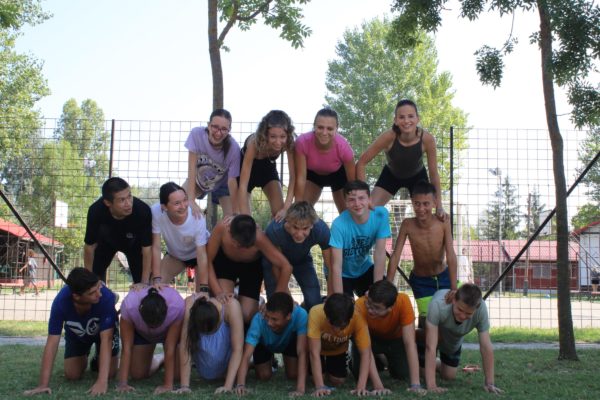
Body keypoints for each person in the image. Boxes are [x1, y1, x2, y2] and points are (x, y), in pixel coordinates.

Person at [24, 268, 119, 396]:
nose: (99, 294)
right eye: (92, 293)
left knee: (110, 374)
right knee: (72, 374)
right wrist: (43, 385)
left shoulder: (106, 297)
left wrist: (102, 381)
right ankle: (84, 353)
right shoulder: (60, 302)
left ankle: (98, 357)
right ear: (76, 296)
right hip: (78, 333)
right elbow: (52, 342)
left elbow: (106, 339)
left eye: (98, 287)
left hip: (104, 333)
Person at [356, 99, 446, 220]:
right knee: (367, 212)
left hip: (418, 177)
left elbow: (434, 174)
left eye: (411, 116)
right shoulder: (388, 137)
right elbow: (361, 163)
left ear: (417, 119)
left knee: (425, 216)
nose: (406, 121)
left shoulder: (427, 139)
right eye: (402, 117)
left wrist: (439, 206)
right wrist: (364, 195)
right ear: (396, 120)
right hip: (391, 176)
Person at [387, 181, 457, 327]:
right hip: (420, 281)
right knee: (426, 322)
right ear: (412, 202)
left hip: (444, 276)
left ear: (435, 203)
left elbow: (451, 255)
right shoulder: (407, 224)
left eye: (426, 204)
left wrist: (454, 287)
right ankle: (422, 342)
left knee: (450, 317)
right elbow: (395, 256)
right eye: (417, 204)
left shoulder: (443, 222)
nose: (421, 208)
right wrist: (388, 285)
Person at [207, 214, 293, 325]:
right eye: (238, 244)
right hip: (225, 263)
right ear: (229, 232)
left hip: (251, 267)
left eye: (247, 245)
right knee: (225, 306)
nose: (242, 248)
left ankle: (256, 300)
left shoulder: (259, 238)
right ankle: (234, 294)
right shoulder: (222, 228)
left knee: (246, 316)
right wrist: (218, 292)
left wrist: (274, 300)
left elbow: (286, 266)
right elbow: (207, 261)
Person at [422, 284, 502, 394]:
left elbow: (486, 346)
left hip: (453, 338)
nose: (463, 316)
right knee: (423, 372)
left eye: (468, 313)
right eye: (460, 309)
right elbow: (430, 347)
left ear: (476, 308)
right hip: (432, 331)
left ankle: (437, 363)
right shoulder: (437, 305)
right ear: (454, 300)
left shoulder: (481, 309)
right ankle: (415, 335)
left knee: (449, 375)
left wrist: (490, 383)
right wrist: (431, 386)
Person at [308, 293, 389, 397]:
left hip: (337, 349)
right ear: (327, 317)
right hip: (319, 349)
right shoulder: (315, 313)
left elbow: (366, 353)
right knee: (314, 379)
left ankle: (339, 365)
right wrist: (320, 387)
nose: (337, 330)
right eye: (333, 324)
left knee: (338, 381)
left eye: (342, 326)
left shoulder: (358, 317)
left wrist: (361, 387)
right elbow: (314, 353)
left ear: (350, 319)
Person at [352, 280, 423, 393]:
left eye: (376, 308)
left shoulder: (403, 301)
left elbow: (410, 343)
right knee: (360, 373)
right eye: (369, 303)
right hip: (370, 341)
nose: (370, 310)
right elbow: (366, 348)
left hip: (394, 340)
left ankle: (382, 358)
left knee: (403, 374)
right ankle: (371, 358)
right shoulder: (359, 305)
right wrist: (378, 386)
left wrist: (415, 384)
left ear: (390, 308)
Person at [235, 292, 308, 397]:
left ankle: (275, 361)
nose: (269, 323)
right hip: (264, 344)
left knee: (293, 375)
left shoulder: (301, 315)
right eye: (267, 317)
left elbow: (302, 352)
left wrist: (300, 389)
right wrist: (240, 385)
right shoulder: (258, 319)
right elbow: (246, 355)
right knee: (264, 376)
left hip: (288, 342)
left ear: (288, 316)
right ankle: (261, 362)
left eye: (274, 319)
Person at [263, 201, 331, 311]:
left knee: (314, 302)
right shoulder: (275, 230)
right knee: (278, 305)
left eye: (305, 228)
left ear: (312, 225)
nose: (299, 234)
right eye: (295, 227)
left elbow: (330, 265)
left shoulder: (320, 230)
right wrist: (289, 299)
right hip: (274, 264)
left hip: (302, 260)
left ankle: (304, 310)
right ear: (287, 221)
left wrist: (332, 295)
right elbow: (277, 266)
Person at [116, 286, 185, 394]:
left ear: (167, 309)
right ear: (140, 310)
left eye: (158, 323)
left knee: (177, 375)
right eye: (150, 324)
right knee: (138, 374)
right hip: (143, 334)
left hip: (168, 332)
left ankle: (163, 358)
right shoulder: (129, 305)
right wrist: (123, 384)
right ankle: (159, 359)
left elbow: (170, 347)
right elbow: (126, 347)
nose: (154, 327)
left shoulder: (177, 305)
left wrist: (168, 385)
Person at [84, 177, 152, 285]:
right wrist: (88, 279)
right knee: (92, 279)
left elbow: (147, 249)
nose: (128, 203)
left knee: (143, 282)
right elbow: (89, 246)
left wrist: (144, 282)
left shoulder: (142, 210)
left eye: (129, 196)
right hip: (106, 243)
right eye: (122, 200)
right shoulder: (95, 211)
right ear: (107, 202)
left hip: (134, 245)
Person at [329, 180, 391, 297]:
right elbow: (336, 266)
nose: (357, 203)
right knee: (344, 305)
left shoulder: (380, 215)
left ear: (369, 199)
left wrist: (376, 290)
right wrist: (340, 299)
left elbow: (379, 253)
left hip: (363, 268)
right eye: (351, 200)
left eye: (361, 198)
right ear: (346, 203)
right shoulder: (338, 225)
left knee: (383, 296)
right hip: (342, 274)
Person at [176, 294, 244, 394]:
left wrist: (227, 386)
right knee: (176, 375)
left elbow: (237, 349)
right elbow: (185, 346)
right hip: (203, 367)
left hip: (226, 363)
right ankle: (161, 359)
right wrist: (184, 386)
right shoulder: (190, 306)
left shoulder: (231, 306)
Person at [237, 110, 296, 222]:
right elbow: (243, 185)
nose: (278, 142)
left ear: (287, 135)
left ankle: (271, 231)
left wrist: (286, 208)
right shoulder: (254, 143)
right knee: (245, 220)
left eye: (282, 136)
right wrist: (246, 219)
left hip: (267, 168)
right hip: (246, 171)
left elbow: (293, 177)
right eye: (273, 136)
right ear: (265, 134)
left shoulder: (289, 143)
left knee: (280, 214)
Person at [150, 182, 209, 293]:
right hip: (175, 256)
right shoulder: (155, 212)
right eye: (177, 203)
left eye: (185, 200)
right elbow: (156, 247)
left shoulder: (197, 217)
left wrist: (204, 288)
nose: (183, 206)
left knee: (202, 295)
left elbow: (201, 255)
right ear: (164, 207)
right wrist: (156, 278)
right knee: (154, 289)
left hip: (200, 255)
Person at [294, 108, 355, 213]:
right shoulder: (302, 142)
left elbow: (352, 182)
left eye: (330, 129)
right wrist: (297, 206)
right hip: (313, 176)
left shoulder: (344, 147)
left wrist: (354, 202)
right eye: (320, 127)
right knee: (303, 210)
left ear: (336, 129)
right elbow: (301, 178)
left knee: (346, 213)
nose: (324, 132)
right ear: (314, 126)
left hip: (338, 176)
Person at [184, 108, 241, 218]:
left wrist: (235, 212)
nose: (218, 133)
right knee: (180, 201)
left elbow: (232, 181)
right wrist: (190, 200)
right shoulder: (196, 134)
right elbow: (191, 168)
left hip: (223, 184)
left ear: (229, 130)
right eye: (215, 127)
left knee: (231, 219)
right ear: (209, 125)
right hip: (199, 180)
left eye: (224, 129)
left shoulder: (234, 148)